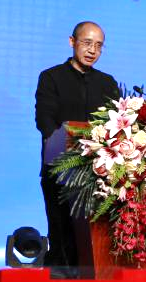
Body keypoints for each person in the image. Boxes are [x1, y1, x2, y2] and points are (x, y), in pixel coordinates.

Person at [35, 21, 121, 269]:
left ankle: (96, 280)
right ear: (72, 42)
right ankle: (59, 280)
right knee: (61, 232)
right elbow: (44, 121)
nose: (92, 50)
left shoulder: (107, 83)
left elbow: (116, 123)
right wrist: (66, 142)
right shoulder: (51, 77)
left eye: (99, 45)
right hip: (60, 170)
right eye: (87, 43)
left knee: (95, 238)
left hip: (99, 174)